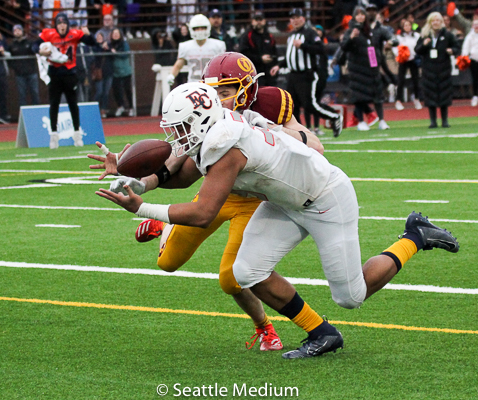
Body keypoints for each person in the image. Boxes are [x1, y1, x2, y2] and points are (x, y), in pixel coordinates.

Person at [95, 81, 460, 359]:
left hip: (325, 200)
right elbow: (182, 176)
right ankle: (322, 333)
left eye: (179, 127)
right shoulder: (218, 127)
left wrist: (141, 208)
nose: (174, 136)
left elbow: (203, 212)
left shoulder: (226, 144)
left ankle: (415, 236)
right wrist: (135, 180)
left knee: (351, 296)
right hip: (284, 202)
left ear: (200, 119)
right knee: (246, 271)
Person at [88, 52, 323, 352]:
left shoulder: (269, 102)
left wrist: (264, 130)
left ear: (247, 88)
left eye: (225, 92)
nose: (217, 99)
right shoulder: (207, 111)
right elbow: (175, 161)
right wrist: (136, 178)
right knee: (167, 263)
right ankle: (165, 227)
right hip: (218, 193)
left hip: (259, 202)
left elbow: (316, 146)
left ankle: (264, 326)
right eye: (213, 91)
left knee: (231, 278)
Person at [270, 8, 343, 137]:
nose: (295, 20)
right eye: (293, 18)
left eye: (297, 17)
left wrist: (303, 46)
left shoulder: (310, 33)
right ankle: (297, 132)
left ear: (303, 18)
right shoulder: (291, 35)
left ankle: (334, 116)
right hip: (293, 75)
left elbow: (320, 49)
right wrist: (279, 66)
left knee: (309, 105)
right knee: (292, 106)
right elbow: (291, 56)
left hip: (306, 75)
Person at [34, 13, 95, 148]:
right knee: (54, 104)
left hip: (69, 73)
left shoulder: (75, 34)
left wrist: (89, 34)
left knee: (73, 104)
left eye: (64, 23)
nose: (62, 26)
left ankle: (77, 134)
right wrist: (40, 51)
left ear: (67, 24)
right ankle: (54, 135)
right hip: (54, 73)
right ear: (56, 25)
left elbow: (92, 42)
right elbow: (34, 45)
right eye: (59, 23)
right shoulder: (49, 34)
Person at [340, 6, 389, 131]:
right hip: (357, 69)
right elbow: (344, 46)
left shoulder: (370, 31)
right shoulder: (350, 31)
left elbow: (374, 47)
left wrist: (376, 63)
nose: (360, 17)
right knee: (359, 97)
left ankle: (382, 120)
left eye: (362, 14)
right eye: (358, 14)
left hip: (371, 69)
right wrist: (351, 37)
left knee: (377, 95)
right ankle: (361, 121)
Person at [415, 12, 459, 128]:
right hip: (428, 70)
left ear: (441, 22)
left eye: (438, 20)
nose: (435, 23)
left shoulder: (447, 35)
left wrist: (452, 51)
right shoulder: (425, 35)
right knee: (430, 95)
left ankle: (445, 120)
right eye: (433, 20)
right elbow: (417, 50)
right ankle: (433, 121)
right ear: (430, 22)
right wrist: (424, 45)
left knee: (444, 95)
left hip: (443, 69)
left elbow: (456, 47)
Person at [166, 14, 226, 87]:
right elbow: (178, 65)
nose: (200, 31)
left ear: (208, 28)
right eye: (196, 28)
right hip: (193, 84)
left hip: (212, 84)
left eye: (203, 28)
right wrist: (171, 75)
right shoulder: (185, 46)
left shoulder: (218, 45)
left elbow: (224, 66)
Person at [238, 11, 278, 88]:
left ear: (264, 21)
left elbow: (275, 53)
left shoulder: (269, 36)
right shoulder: (247, 36)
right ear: (252, 21)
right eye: (256, 20)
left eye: (260, 20)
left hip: (269, 74)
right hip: (254, 74)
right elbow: (243, 55)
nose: (258, 22)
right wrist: (260, 59)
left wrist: (275, 64)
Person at [393, 19, 422, 111]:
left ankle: (417, 99)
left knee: (416, 80)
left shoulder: (416, 36)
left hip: (413, 60)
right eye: (405, 25)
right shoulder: (399, 37)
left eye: (409, 25)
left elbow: (419, 46)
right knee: (401, 80)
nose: (407, 27)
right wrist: (399, 55)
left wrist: (416, 55)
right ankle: (398, 100)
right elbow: (395, 47)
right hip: (403, 60)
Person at [9, 24, 41, 107]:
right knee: (22, 94)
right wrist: (15, 67)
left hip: (31, 72)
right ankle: (23, 112)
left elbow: (35, 50)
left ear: (22, 31)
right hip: (19, 74)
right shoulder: (12, 45)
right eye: (15, 30)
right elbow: (9, 59)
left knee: (34, 92)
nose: (17, 32)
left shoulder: (29, 42)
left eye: (19, 30)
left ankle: (37, 110)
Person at [109, 28, 133, 117]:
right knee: (116, 90)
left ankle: (131, 107)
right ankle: (120, 106)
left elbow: (125, 54)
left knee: (127, 89)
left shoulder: (124, 44)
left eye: (117, 33)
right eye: (114, 33)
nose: (115, 35)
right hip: (115, 71)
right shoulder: (110, 45)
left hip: (125, 70)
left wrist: (116, 53)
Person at [461, 20, 478, 106]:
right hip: (474, 60)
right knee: (475, 79)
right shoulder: (470, 36)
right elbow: (465, 47)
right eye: (475, 25)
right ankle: (475, 96)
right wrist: (464, 57)